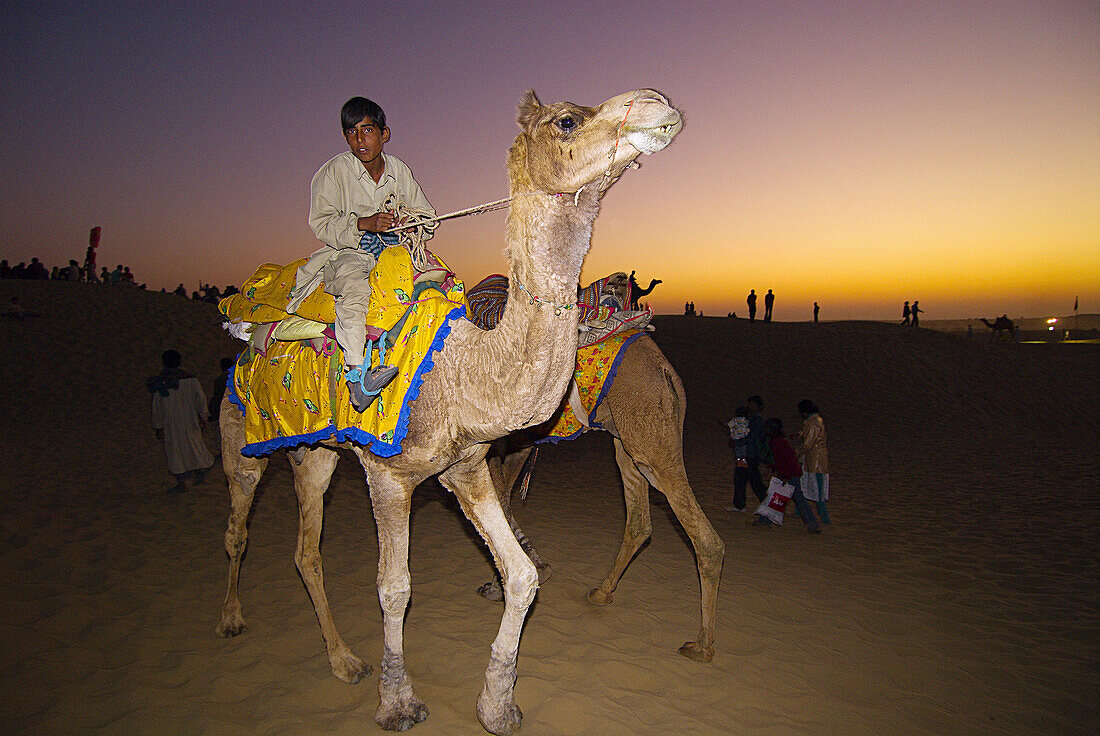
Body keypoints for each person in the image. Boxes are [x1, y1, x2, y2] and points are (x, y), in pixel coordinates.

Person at [287, 96, 435, 412]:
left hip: (396, 252)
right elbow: (321, 223)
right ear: (345, 136)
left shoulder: (400, 171)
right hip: (351, 252)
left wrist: (410, 221)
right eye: (351, 132)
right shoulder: (333, 172)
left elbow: (428, 216)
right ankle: (357, 380)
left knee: (439, 287)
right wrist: (362, 223)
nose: (359, 139)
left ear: (384, 134)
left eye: (367, 130)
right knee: (354, 293)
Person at [149, 349, 214, 493]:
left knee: (175, 451)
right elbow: (200, 398)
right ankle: (200, 470)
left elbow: (157, 406)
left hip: (171, 423)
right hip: (189, 420)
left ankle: (183, 482)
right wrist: (203, 416)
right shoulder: (190, 380)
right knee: (194, 445)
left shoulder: (161, 382)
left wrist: (159, 426)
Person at [751, 417, 821, 532]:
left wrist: (783, 475)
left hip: (789, 473)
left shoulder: (777, 442)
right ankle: (812, 523)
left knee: (781, 497)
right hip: (791, 472)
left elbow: (783, 460)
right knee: (784, 497)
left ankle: (812, 524)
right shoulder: (780, 440)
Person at [791, 399, 830, 524]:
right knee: (805, 485)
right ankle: (801, 511)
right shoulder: (814, 420)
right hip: (813, 459)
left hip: (816, 461)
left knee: (817, 490)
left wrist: (796, 452)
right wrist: (799, 434)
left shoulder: (813, 422)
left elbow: (808, 444)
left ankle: (824, 516)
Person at [720, 407, 754, 511]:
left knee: (739, 458)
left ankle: (741, 462)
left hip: (738, 443)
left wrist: (722, 423)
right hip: (744, 445)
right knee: (742, 456)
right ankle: (742, 462)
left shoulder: (735, 420)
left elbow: (727, 425)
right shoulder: (747, 421)